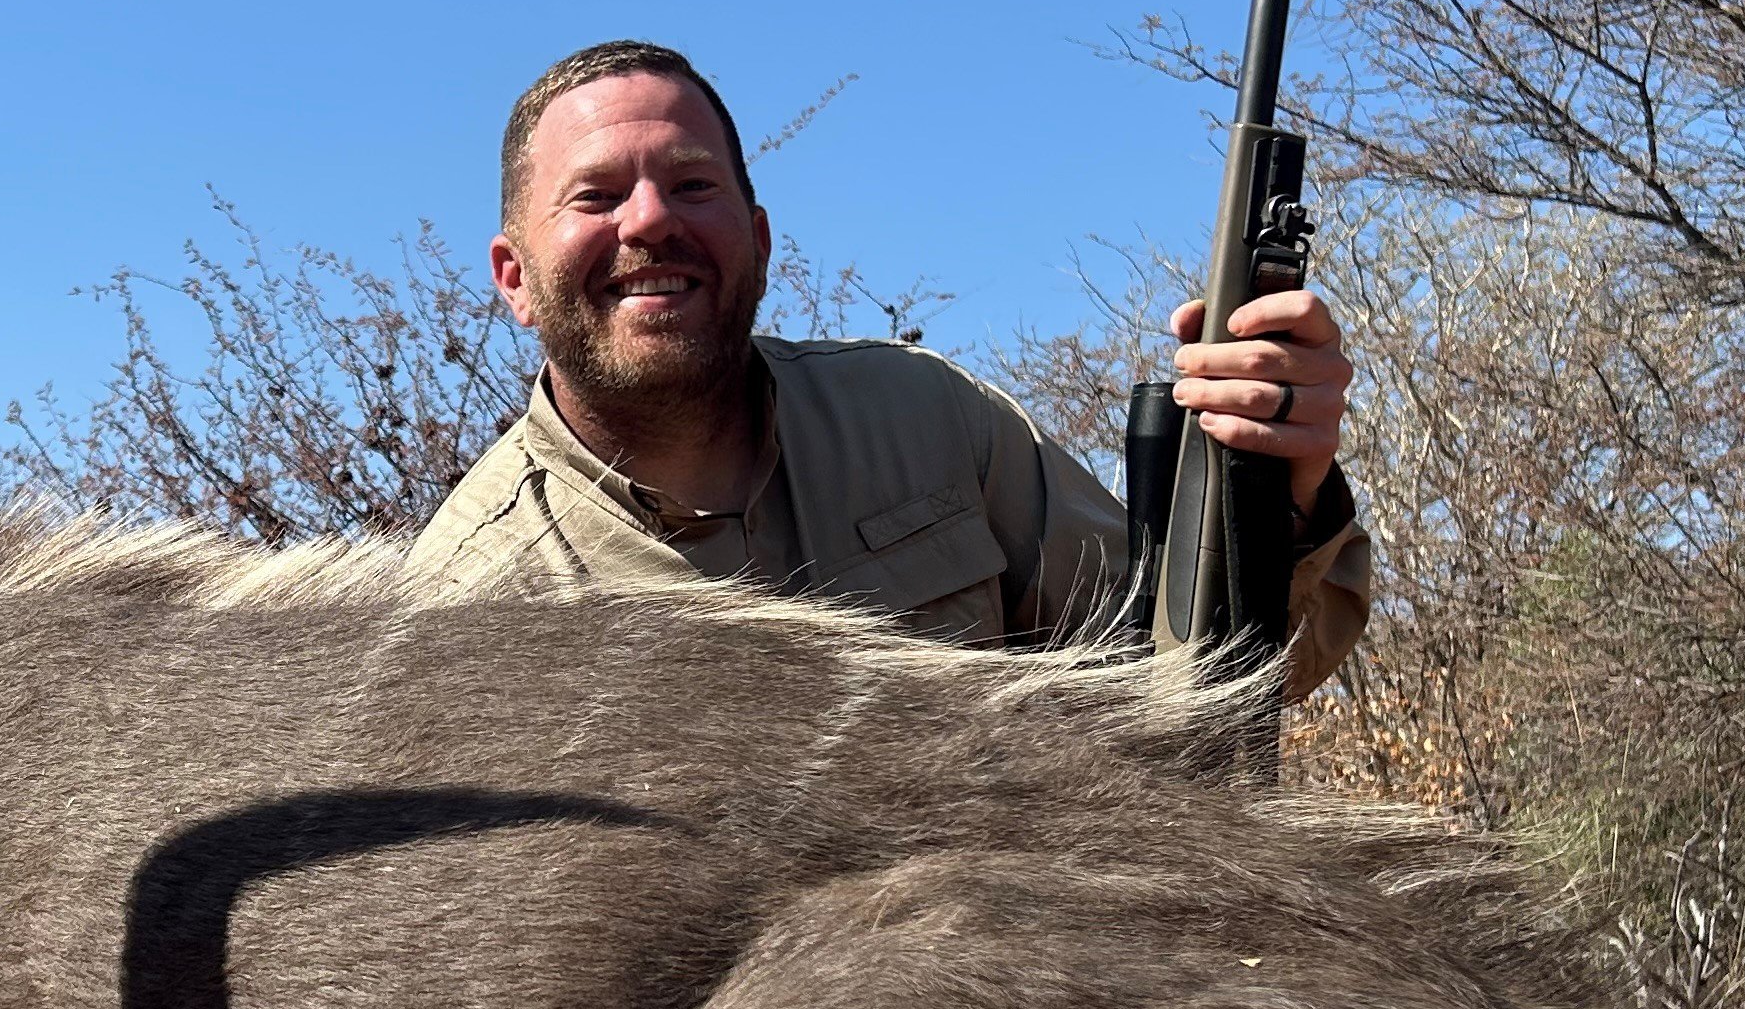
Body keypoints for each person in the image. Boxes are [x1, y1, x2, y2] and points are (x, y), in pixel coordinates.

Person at [409, 40, 1370, 689]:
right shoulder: (463, 605)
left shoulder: (926, 418)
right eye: (597, 195)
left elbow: (1204, 685)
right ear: (514, 277)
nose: (651, 219)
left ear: (758, 239)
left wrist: (1280, 485)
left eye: (691, 183)